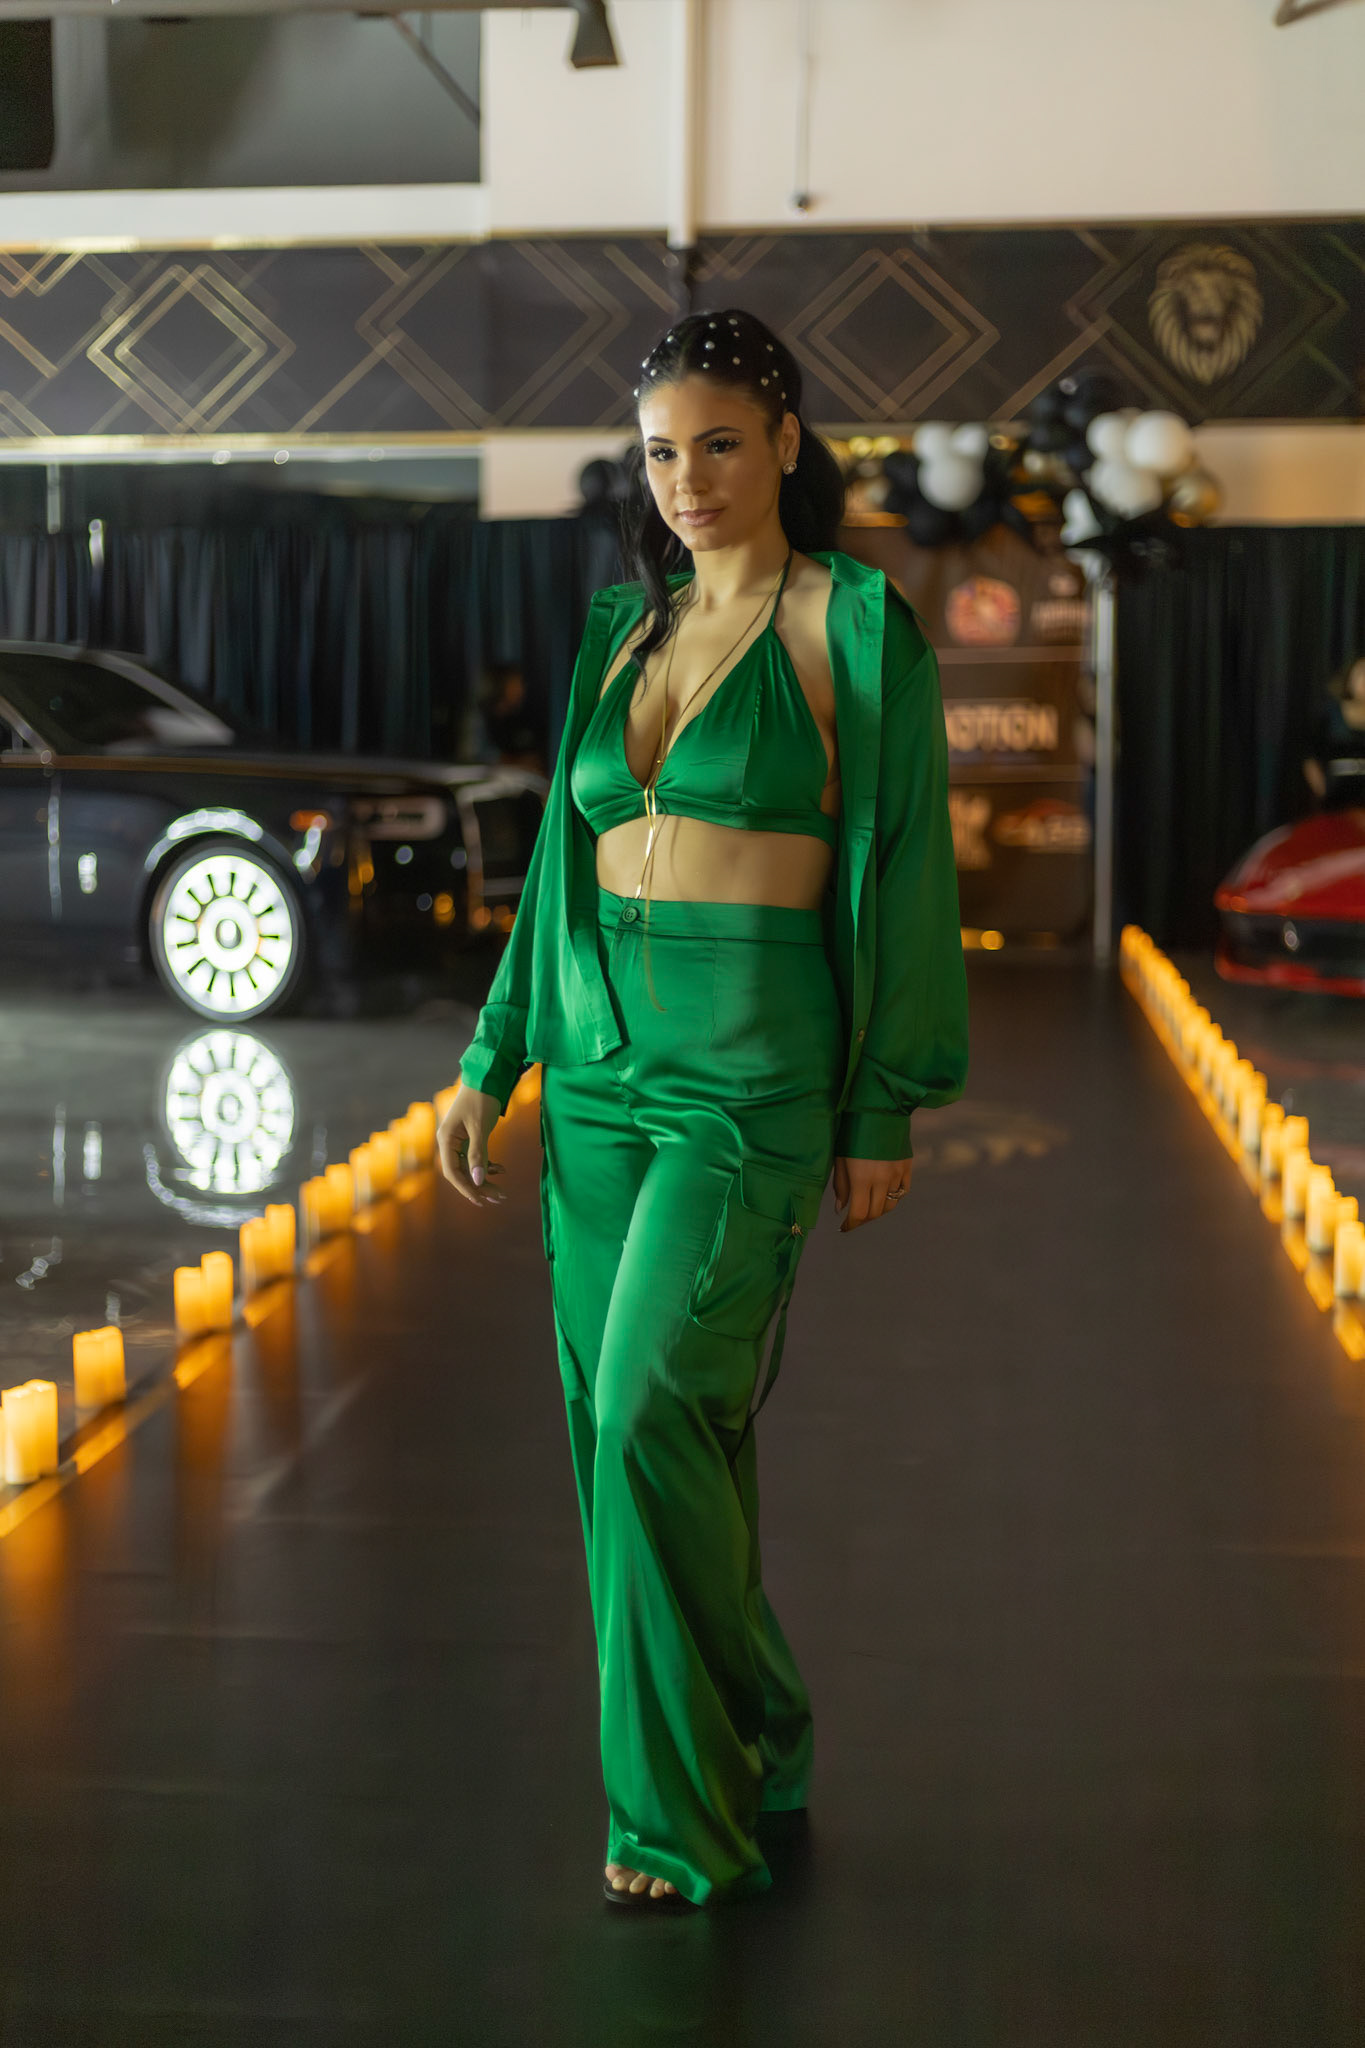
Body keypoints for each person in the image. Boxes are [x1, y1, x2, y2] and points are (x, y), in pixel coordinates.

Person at [436, 308, 969, 1912]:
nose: (688, 480)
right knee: (636, 1436)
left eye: (721, 444)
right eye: (662, 452)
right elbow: (558, 864)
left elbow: (908, 865)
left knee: (650, 1405)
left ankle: (678, 1824)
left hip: (751, 1076)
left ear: (787, 443)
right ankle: (760, 1729)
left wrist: (884, 1103)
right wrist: (494, 1054)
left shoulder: (853, 627)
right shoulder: (624, 626)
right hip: (598, 1073)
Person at [1303, 654, 1365, 809]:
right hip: (1335, 799)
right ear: (1349, 679)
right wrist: (1322, 790)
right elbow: (1310, 756)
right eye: (1362, 673)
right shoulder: (1330, 714)